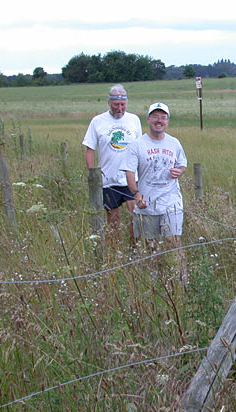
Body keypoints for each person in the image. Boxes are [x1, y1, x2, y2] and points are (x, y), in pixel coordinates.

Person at [121, 102, 188, 281]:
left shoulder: (174, 143)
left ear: (167, 121)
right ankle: (154, 282)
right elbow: (129, 172)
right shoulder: (137, 145)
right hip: (146, 205)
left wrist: (179, 171)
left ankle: (181, 280)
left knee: (173, 241)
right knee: (150, 247)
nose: (159, 121)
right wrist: (136, 195)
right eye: (155, 117)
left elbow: (182, 164)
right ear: (148, 119)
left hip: (171, 203)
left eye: (163, 118)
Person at [82, 84, 142, 243]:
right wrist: (93, 174)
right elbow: (89, 149)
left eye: (122, 104)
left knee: (135, 216)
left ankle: (134, 249)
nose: (119, 108)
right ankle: (116, 250)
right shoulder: (97, 121)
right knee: (113, 220)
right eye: (116, 104)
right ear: (109, 102)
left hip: (130, 178)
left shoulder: (134, 120)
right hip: (108, 180)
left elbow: (140, 148)